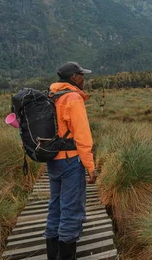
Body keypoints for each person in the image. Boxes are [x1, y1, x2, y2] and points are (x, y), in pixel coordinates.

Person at [44, 61, 98, 260]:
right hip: (70, 161)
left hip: (52, 160)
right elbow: (82, 137)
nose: (84, 78)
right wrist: (90, 167)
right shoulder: (73, 98)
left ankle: (53, 254)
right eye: (81, 75)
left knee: (55, 205)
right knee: (71, 209)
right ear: (73, 78)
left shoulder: (51, 94)